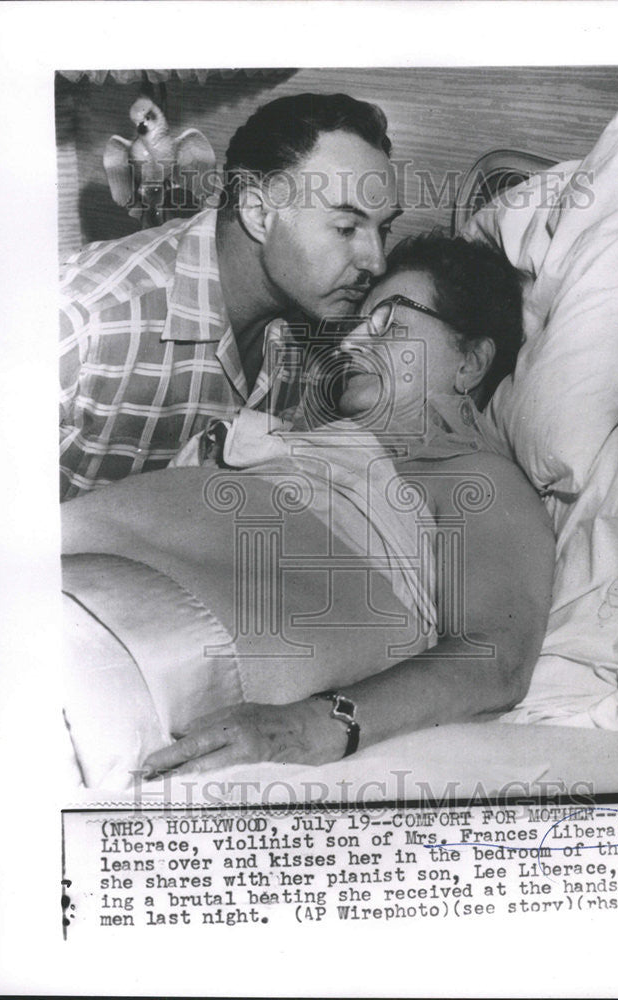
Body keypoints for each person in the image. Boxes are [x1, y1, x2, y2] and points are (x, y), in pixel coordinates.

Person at [61, 233, 555, 785]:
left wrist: (321, 723)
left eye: (390, 325)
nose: (349, 346)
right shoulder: (289, 435)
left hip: (131, 655)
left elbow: (497, 655)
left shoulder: (476, 478)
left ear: (470, 362)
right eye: (356, 325)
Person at [59, 93, 400, 500]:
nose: (377, 263)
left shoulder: (319, 327)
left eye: (383, 231)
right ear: (258, 213)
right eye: (346, 228)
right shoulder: (85, 318)